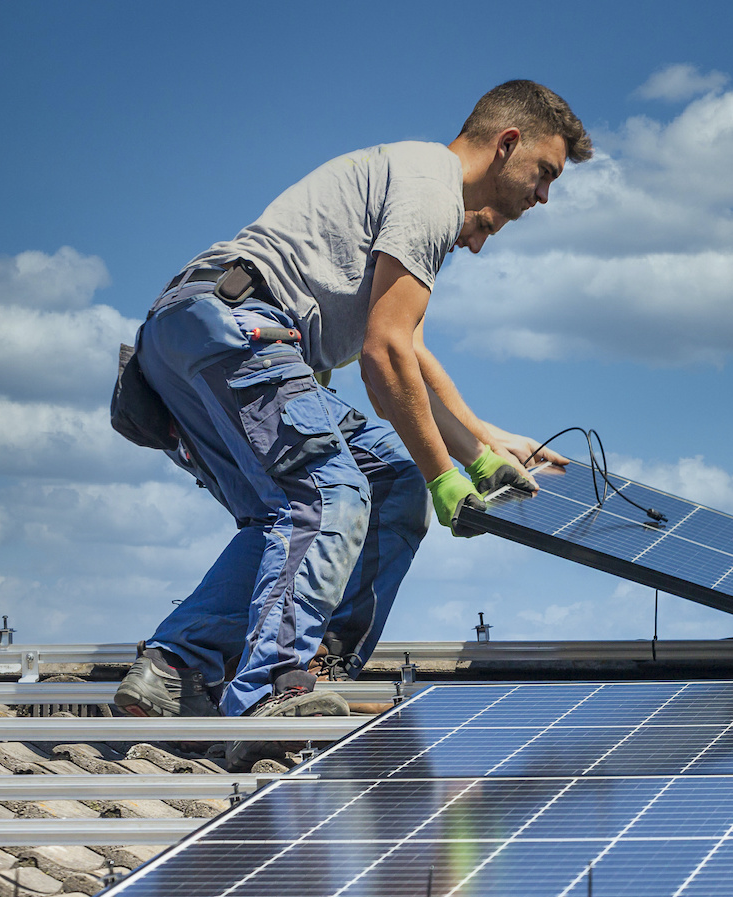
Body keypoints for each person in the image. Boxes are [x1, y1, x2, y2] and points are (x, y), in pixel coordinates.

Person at [112, 80, 590, 769]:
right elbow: (384, 356)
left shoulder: (412, 183)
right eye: (543, 174)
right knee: (330, 494)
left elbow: (409, 351)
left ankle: (175, 671)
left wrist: (482, 441)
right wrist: (447, 479)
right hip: (238, 327)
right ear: (507, 144)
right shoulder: (432, 189)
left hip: (197, 335)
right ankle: (277, 685)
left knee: (379, 483)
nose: (542, 196)